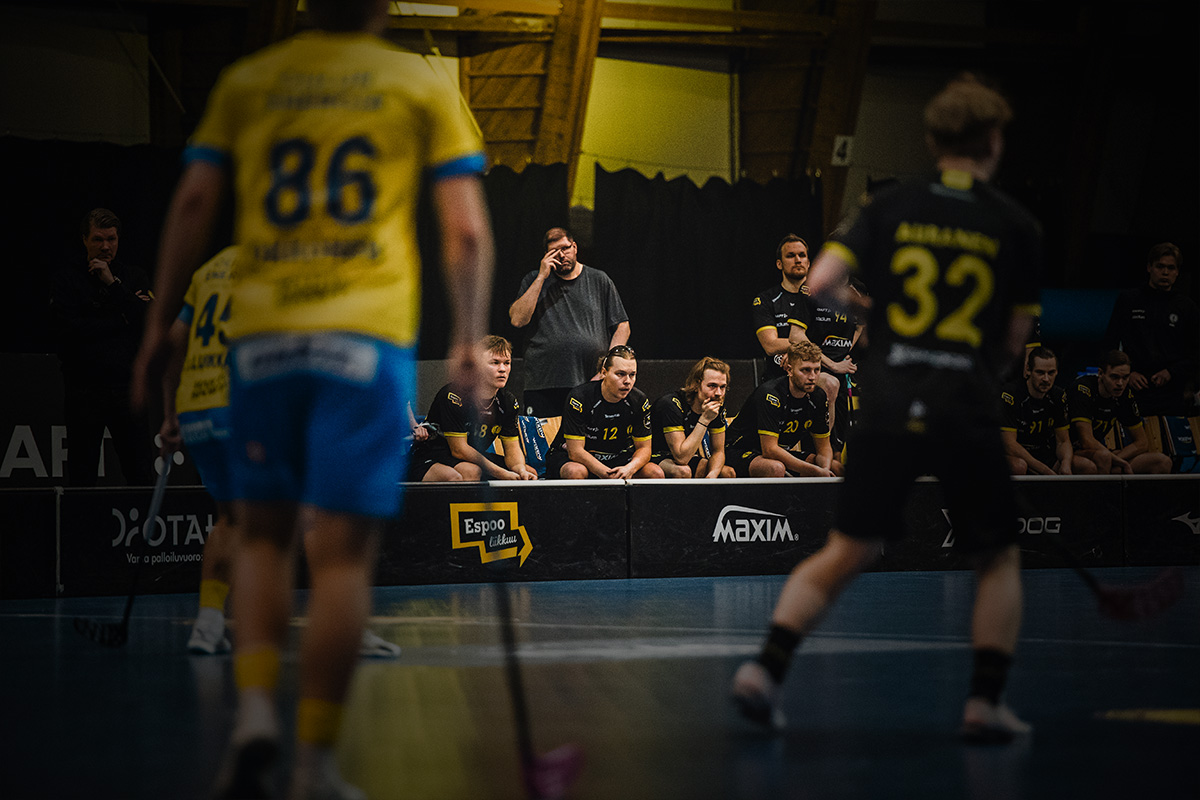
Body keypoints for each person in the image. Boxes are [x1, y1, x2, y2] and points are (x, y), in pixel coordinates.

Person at [131, 1, 494, 797]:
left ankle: (256, 713)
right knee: (340, 557)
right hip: (364, 340)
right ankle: (314, 764)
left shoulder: (249, 79)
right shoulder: (419, 82)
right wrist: (468, 338)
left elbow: (191, 203)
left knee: (259, 536)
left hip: (262, 342)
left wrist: (157, 326)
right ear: (382, 4)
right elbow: (466, 231)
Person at [732, 74, 1043, 744]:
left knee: (848, 548)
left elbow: (821, 283)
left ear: (932, 140)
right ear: (994, 141)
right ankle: (984, 704)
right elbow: (1014, 343)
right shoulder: (1017, 226)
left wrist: (880, 318)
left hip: (892, 399)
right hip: (964, 406)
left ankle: (764, 670)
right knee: (997, 560)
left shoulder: (891, 205)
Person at [159, 246, 404, 659]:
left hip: (197, 406)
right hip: (246, 403)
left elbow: (174, 341)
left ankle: (208, 625)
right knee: (320, 511)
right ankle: (343, 627)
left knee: (231, 518)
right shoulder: (276, 260)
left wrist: (169, 414)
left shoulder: (209, 270)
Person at [51, 208, 154, 486]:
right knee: (82, 476)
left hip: (127, 390)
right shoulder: (67, 280)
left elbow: (147, 323)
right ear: (85, 239)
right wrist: (122, 318)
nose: (106, 246)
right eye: (98, 239)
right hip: (84, 391)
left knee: (140, 473)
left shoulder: (133, 277)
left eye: (111, 239)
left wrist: (112, 284)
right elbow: (68, 332)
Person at [508, 227, 631, 417]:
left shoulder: (599, 279)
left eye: (565, 248)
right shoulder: (533, 279)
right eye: (554, 251)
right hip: (544, 382)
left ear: (574, 247)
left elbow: (622, 326)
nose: (561, 255)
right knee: (544, 434)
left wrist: (608, 366)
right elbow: (517, 320)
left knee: (583, 432)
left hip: (588, 379)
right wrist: (541, 276)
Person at [408, 335, 538, 482]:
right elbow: (459, 450)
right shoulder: (455, 395)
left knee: (529, 472)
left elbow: (512, 449)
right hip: (434, 453)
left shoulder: (508, 401)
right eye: (494, 363)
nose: (502, 369)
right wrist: (502, 474)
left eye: (506, 363)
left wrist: (520, 470)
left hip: (473, 455)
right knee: (469, 472)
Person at [1104, 242, 1199, 417]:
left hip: (1171, 393)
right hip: (1133, 388)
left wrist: (1171, 372)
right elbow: (1110, 343)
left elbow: (1194, 353)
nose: (1165, 272)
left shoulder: (1187, 307)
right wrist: (1128, 374)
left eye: (1171, 268)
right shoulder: (1129, 300)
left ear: (1177, 271)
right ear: (1149, 267)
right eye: (1160, 266)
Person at [542, 345, 664, 480]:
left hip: (617, 458)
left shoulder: (639, 400)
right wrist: (608, 475)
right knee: (575, 471)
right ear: (604, 372)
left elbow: (644, 449)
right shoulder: (579, 398)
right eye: (620, 374)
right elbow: (575, 452)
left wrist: (629, 468)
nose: (627, 381)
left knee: (654, 473)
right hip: (577, 458)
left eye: (632, 375)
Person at [724, 341, 836, 478]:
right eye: (805, 370)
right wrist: (815, 471)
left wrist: (824, 470)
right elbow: (770, 450)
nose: (812, 377)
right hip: (739, 450)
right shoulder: (771, 394)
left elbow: (824, 448)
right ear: (789, 370)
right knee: (775, 468)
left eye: (816, 370)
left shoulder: (818, 396)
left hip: (777, 453)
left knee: (835, 467)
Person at [1069, 350, 1173, 474]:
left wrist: (1116, 459)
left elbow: (1142, 443)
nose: (1120, 383)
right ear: (1101, 373)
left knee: (1162, 462)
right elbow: (1087, 441)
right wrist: (1116, 460)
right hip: (1071, 452)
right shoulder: (1083, 389)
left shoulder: (1125, 395)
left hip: (1101, 454)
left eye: (1125, 378)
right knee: (1102, 458)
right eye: (1114, 377)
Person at [1000, 347, 1094, 475]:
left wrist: (1066, 464)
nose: (1046, 379)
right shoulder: (1010, 394)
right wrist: (1045, 471)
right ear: (1028, 370)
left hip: (1044, 454)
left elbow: (1063, 441)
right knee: (1019, 466)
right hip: (1018, 455)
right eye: (1040, 372)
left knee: (1086, 466)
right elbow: (1009, 445)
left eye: (1051, 373)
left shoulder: (1058, 396)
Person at [649, 356, 734, 478]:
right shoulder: (671, 404)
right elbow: (681, 458)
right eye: (712, 386)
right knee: (683, 471)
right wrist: (705, 419)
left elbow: (718, 451)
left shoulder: (715, 402)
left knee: (727, 473)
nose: (718, 393)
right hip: (655, 455)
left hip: (684, 455)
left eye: (723, 387)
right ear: (696, 384)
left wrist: (712, 476)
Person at [751, 234, 811, 383]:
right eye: (790, 256)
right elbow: (770, 345)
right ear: (779, 264)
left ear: (808, 262)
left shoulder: (824, 298)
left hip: (818, 373)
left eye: (802, 255)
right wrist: (808, 348)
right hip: (778, 377)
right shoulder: (766, 300)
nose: (798, 260)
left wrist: (797, 352)